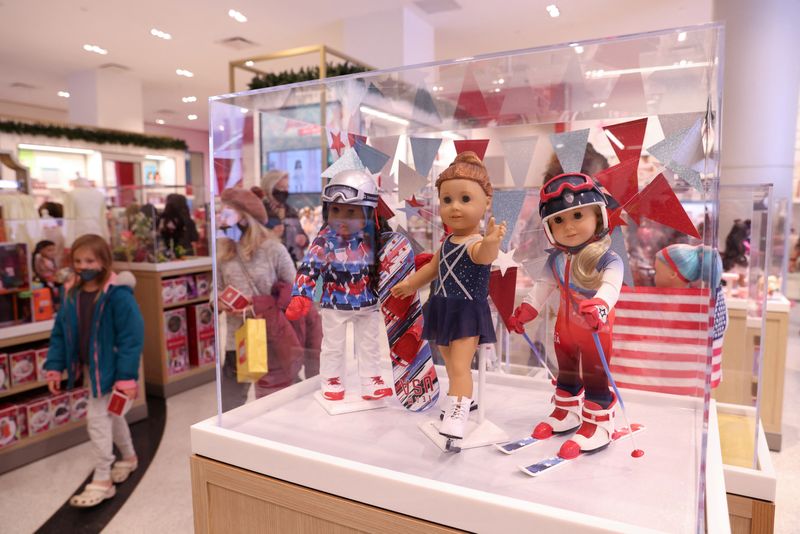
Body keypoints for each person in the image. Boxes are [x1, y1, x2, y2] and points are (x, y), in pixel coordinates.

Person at [391, 152, 506, 442]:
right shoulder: (447, 243)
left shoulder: (475, 243)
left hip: (466, 312)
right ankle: (463, 397)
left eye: (465, 199)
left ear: (486, 202)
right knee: (446, 356)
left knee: (459, 364)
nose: (455, 207)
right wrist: (409, 284)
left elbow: (483, 257)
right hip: (442, 306)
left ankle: (459, 410)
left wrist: (491, 243)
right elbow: (432, 268)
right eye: (447, 200)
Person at [508, 172, 624, 457]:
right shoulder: (556, 258)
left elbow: (611, 286)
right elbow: (544, 285)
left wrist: (599, 305)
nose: (569, 227)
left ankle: (598, 423)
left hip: (595, 326)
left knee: (596, 373)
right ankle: (566, 411)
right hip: (565, 326)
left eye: (577, 216)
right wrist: (528, 310)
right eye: (558, 221)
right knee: (566, 368)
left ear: (598, 216)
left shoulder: (608, 258)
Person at [43, 234, 144, 507]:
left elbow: (131, 337)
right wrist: (54, 367)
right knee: (113, 412)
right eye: (77, 260)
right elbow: (60, 334)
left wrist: (126, 377)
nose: (83, 265)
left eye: (89, 260)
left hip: (114, 369)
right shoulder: (73, 293)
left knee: (97, 420)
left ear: (103, 261)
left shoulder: (117, 295)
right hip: (92, 368)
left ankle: (103, 477)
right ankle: (129, 456)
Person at [285, 169, 393, 402]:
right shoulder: (326, 238)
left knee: (370, 344)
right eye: (335, 210)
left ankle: (371, 379)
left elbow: (393, 262)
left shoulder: (376, 237)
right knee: (333, 345)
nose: (341, 218)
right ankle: (331, 379)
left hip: (368, 302)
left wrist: (410, 269)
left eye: (351, 211)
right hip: (335, 303)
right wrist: (302, 293)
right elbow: (310, 265)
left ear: (368, 212)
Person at [216, 188, 299, 410]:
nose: (221, 217)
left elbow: (295, 291)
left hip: (271, 334)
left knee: (277, 400)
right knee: (230, 405)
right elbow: (216, 291)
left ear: (245, 216)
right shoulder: (224, 252)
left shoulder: (274, 250)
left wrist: (263, 304)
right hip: (239, 338)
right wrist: (219, 303)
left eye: (227, 211)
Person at [654, 244, 727, 387]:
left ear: (672, 274)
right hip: (678, 376)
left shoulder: (685, 306)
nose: (654, 276)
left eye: (656, 271)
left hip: (676, 377)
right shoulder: (702, 303)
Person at [261, 169, 309, 263]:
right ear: (270, 189)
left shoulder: (291, 211)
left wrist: (303, 240)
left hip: (290, 263)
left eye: (287, 187)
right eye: (281, 188)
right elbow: (250, 241)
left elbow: (302, 235)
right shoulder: (261, 211)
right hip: (268, 264)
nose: (285, 191)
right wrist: (271, 236)